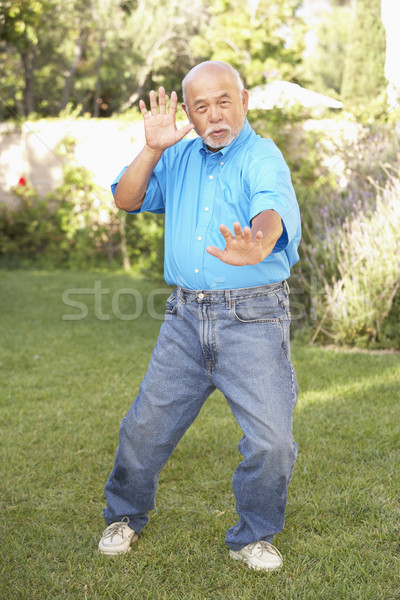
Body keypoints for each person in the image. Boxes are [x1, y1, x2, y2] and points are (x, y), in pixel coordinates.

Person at [99, 61, 301, 572]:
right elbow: (128, 198)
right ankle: (123, 515)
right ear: (188, 112)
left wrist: (259, 243)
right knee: (145, 427)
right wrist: (152, 148)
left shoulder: (261, 154)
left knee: (272, 440)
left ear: (245, 100)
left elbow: (270, 208)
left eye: (224, 101)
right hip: (185, 317)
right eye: (202, 107)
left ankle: (254, 536)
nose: (215, 116)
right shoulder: (179, 155)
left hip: (252, 318)